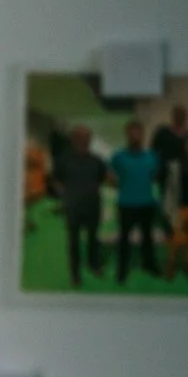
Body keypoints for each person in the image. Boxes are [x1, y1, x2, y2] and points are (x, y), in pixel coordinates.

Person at [52, 123, 107, 287]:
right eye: (81, 137)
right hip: (73, 207)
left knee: (93, 238)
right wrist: (65, 195)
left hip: (93, 205)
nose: (85, 140)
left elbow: (101, 178)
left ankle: (93, 264)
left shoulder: (97, 160)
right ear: (74, 139)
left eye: (87, 137)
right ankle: (75, 273)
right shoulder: (63, 159)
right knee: (73, 241)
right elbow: (56, 180)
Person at [109, 120, 163, 283]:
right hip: (126, 204)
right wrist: (119, 185)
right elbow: (109, 175)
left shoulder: (151, 157)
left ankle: (149, 264)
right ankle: (122, 270)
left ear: (142, 135)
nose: (135, 137)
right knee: (124, 239)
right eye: (132, 133)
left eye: (138, 133)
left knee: (148, 237)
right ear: (127, 136)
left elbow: (154, 175)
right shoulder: (119, 157)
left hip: (147, 203)